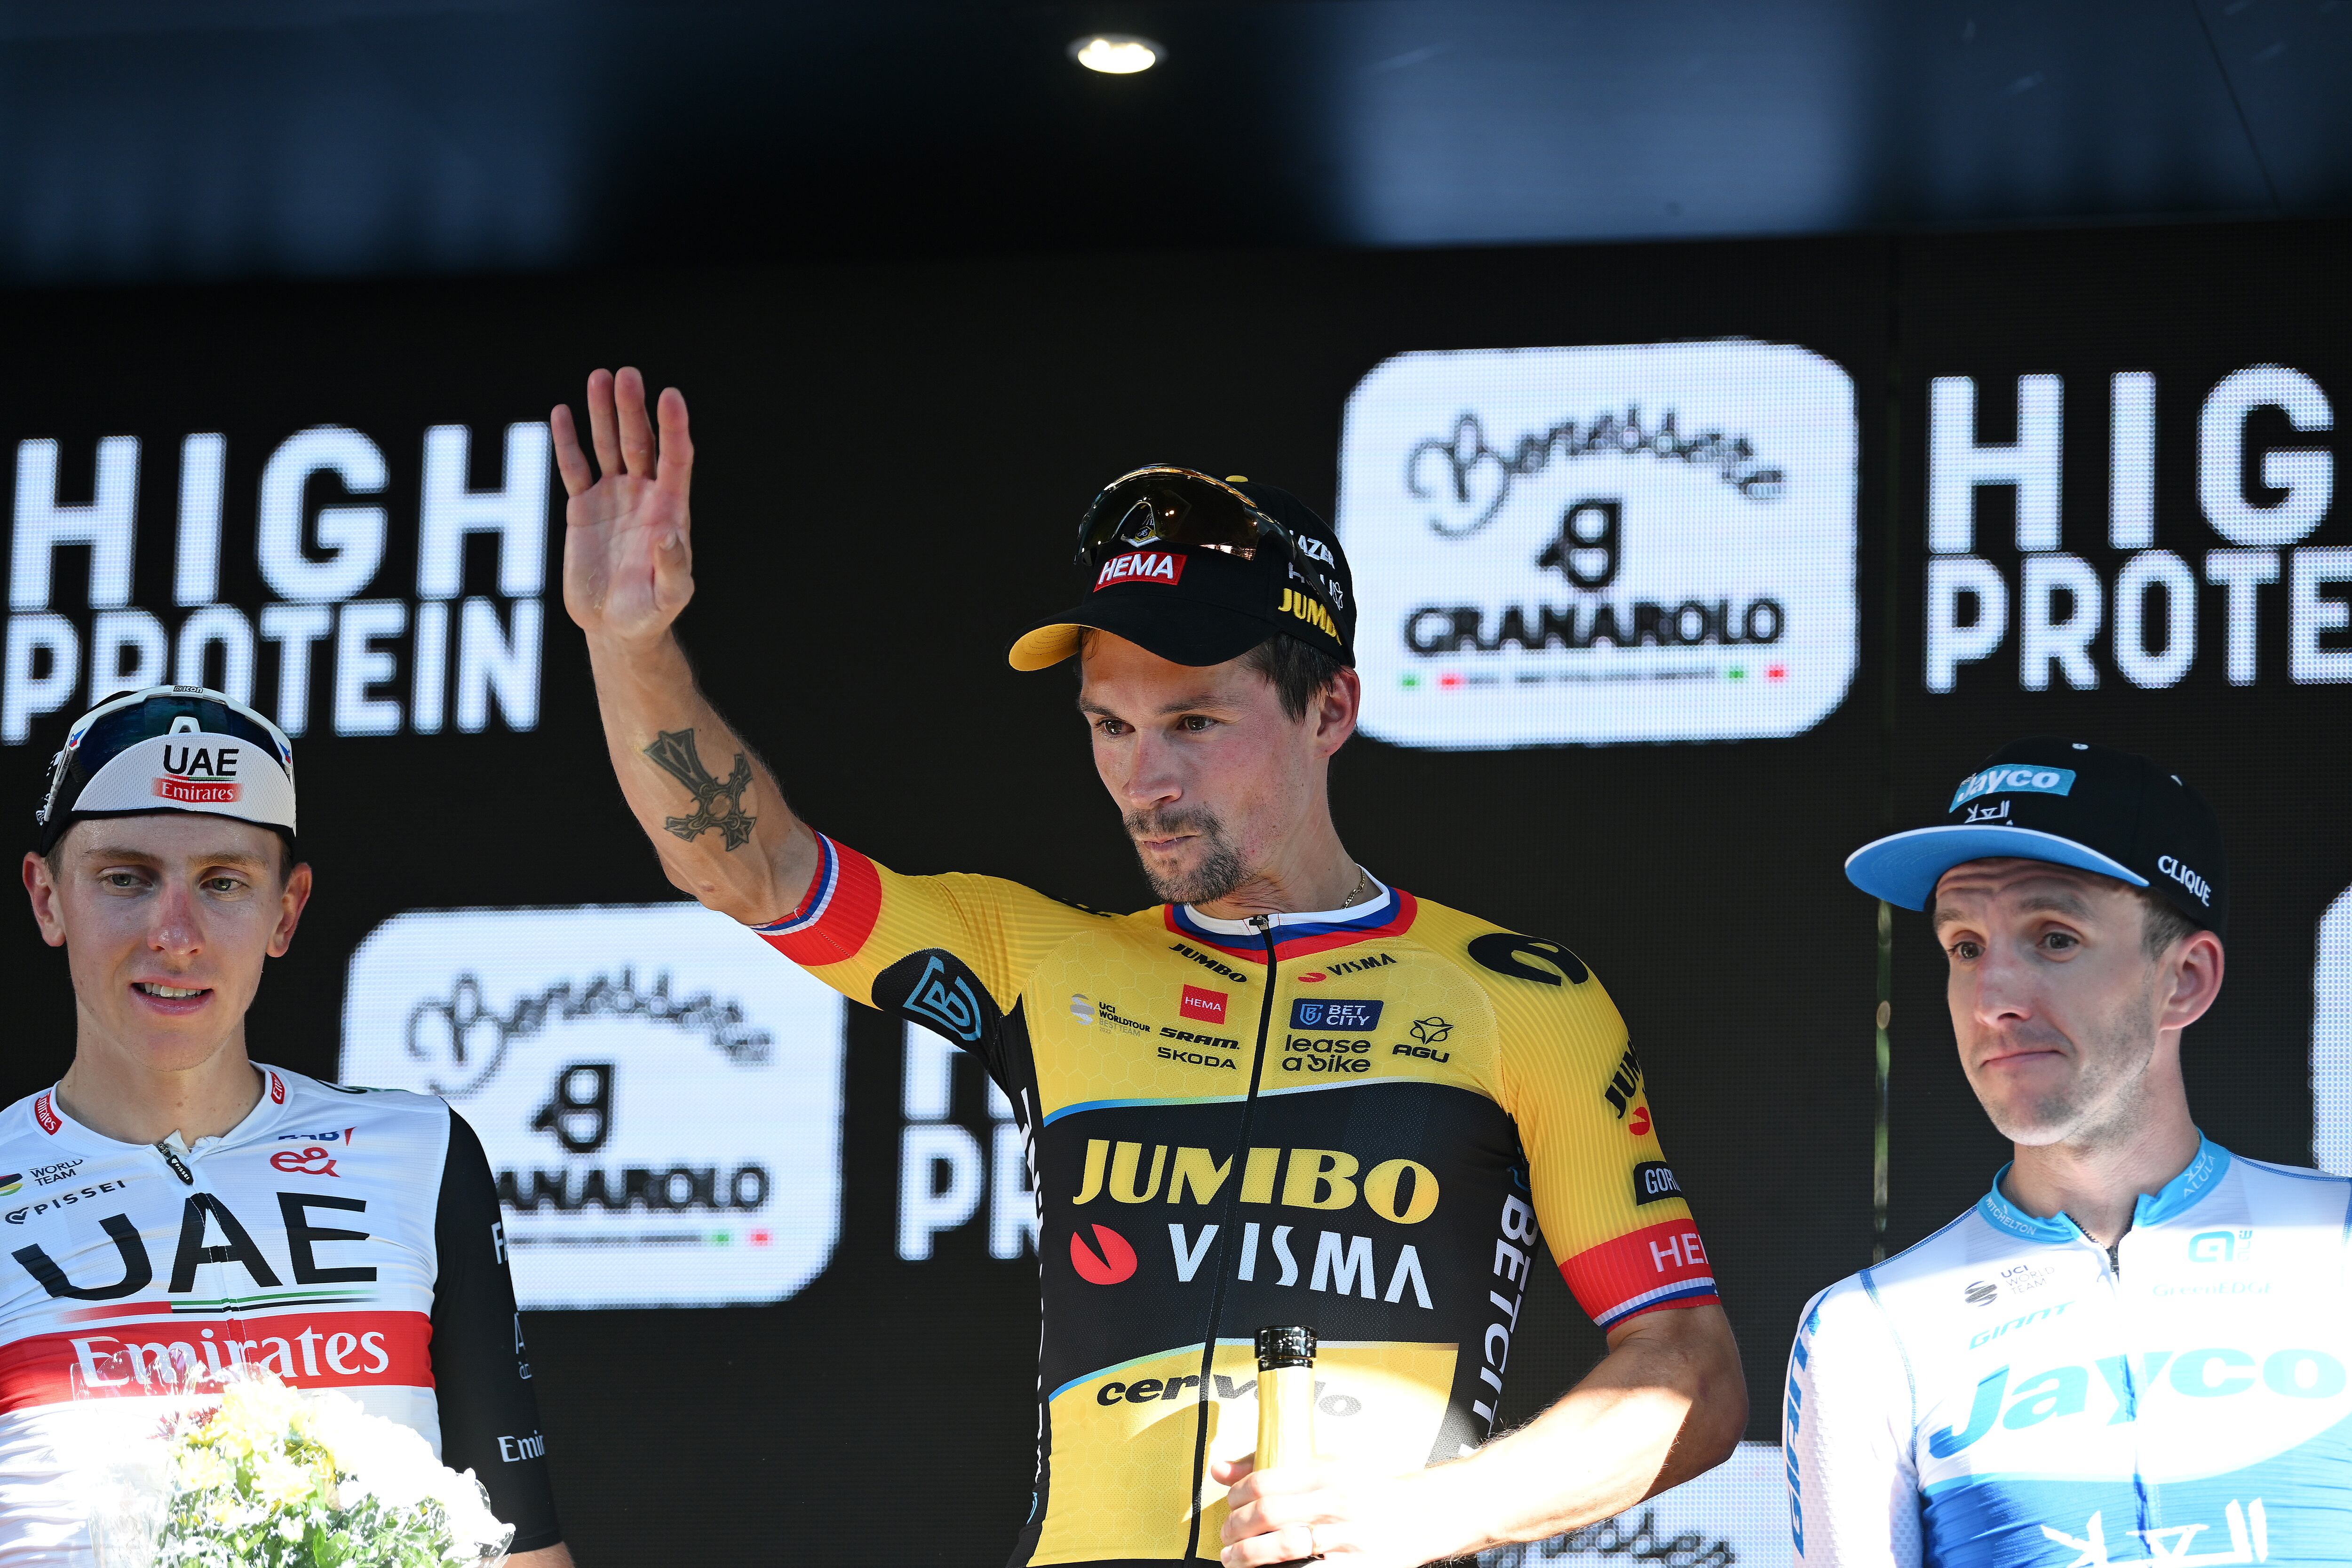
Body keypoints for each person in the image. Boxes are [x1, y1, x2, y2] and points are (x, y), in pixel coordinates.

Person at [556, 367, 1747, 1568]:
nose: (1145, 781)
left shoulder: (1518, 995)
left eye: (1192, 722)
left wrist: (1425, 1513)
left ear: (1330, 707)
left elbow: (1689, 1370)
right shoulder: (1038, 959)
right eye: (1108, 725)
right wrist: (627, 641)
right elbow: (747, 866)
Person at [11, 685, 569, 1567]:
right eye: (126, 877)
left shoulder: (420, 1155)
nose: (176, 934)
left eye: (223, 882)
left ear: (287, 910)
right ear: (47, 898)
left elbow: (524, 1550)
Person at [1785, 737, 2352, 1568]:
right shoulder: (1868, 1331)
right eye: (1966, 947)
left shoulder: (2337, 1246)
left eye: (2054, 937)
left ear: (2184, 979)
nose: (1995, 1002)